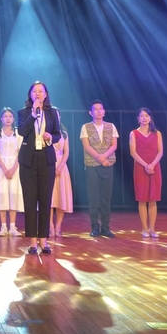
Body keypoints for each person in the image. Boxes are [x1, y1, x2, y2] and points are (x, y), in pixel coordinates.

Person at [17, 81, 61, 255]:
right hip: (28, 160)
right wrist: (33, 115)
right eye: (34, 91)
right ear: (30, 94)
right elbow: (22, 131)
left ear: (45, 94)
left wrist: (51, 137)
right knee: (30, 201)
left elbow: (58, 134)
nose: (37, 94)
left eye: (40, 91)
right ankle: (32, 241)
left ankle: (43, 239)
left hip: (46, 158)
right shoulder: (23, 112)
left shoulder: (52, 112)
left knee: (45, 200)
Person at [80, 99, 119, 238]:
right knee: (93, 197)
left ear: (104, 111)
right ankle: (95, 227)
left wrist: (105, 157)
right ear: (90, 113)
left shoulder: (111, 126)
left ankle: (106, 227)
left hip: (108, 164)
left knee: (106, 197)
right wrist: (99, 157)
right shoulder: (85, 127)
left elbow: (114, 145)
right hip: (92, 164)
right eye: (95, 109)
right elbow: (86, 146)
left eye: (100, 109)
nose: (98, 111)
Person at [0, 107, 23, 237]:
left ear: (13, 119)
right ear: (1, 118)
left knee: (13, 194)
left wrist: (13, 169)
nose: (8, 119)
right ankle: (3, 227)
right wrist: (4, 168)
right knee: (2, 194)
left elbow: (20, 153)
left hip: (15, 166)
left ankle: (13, 227)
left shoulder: (18, 134)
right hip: (0, 166)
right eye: (5, 116)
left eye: (10, 116)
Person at [129, 107, 163, 238]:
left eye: (146, 116)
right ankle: (144, 228)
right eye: (142, 116)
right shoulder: (134, 133)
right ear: (138, 119)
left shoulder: (157, 133)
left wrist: (152, 164)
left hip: (154, 167)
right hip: (140, 167)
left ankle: (152, 229)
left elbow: (160, 152)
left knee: (153, 199)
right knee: (142, 199)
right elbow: (133, 152)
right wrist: (146, 165)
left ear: (150, 118)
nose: (144, 118)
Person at [49, 117, 73, 237]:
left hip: (61, 165)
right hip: (48, 163)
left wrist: (60, 166)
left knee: (61, 197)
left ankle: (58, 226)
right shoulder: (45, 131)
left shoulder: (64, 133)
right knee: (49, 198)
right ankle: (50, 227)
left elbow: (66, 152)